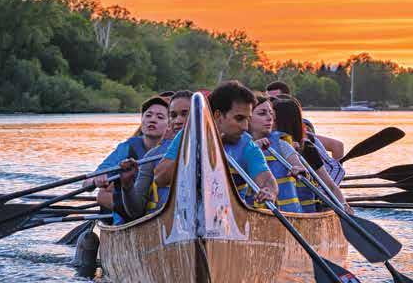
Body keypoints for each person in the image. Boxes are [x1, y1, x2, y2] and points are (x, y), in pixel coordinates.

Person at [155, 81, 278, 206]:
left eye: (248, 119)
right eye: (239, 119)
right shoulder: (187, 136)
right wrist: (200, 146)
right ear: (218, 115)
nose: (245, 127)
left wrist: (269, 191)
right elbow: (160, 178)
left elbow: (267, 180)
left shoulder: (247, 145)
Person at [88, 95, 169, 222]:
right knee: (104, 193)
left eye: (160, 117)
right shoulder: (128, 148)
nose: (152, 120)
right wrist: (96, 179)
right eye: (148, 116)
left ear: (169, 125)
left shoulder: (173, 148)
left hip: (160, 211)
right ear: (141, 122)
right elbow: (89, 180)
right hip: (128, 215)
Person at [119, 90, 192, 219]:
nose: (178, 121)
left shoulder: (217, 150)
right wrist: (127, 185)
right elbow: (135, 212)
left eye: (185, 114)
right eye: (173, 115)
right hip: (159, 225)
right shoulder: (152, 156)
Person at [271, 96, 351, 213]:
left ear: (280, 121)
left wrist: (343, 205)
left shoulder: (307, 149)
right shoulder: (265, 145)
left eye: (271, 116)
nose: (267, 119)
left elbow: (330, 185)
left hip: (304, 211)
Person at [248, 93, 303, 212]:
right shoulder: (238, 147)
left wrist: (299, 169)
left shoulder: (281, 144)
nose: (269, 118)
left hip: (286, 215)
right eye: (262, 113)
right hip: (252, 212)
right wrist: (252, 148)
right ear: (247, 117)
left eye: (271, 113)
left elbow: (298, 165)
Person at [267, 79, 344, 163]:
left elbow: (337, 145)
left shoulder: (304, 127)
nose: (271, 102)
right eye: (268, 98)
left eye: (275, 98)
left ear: (286, 99)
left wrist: (335, 172)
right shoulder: (265, 125)